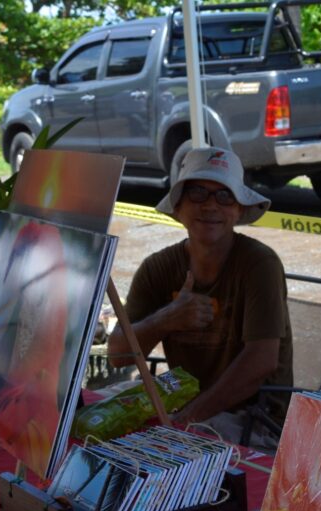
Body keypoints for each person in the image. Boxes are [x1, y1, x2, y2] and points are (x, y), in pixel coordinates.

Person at [107, 147, 293, 446]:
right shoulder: (157, 267)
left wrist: (186, 419)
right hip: (183, 401)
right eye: (197, 193)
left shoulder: (260, 264)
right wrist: (167, 319)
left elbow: (262, 361)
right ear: (178, 207)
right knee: (102, 413)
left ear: (239, 210)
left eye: (224, 196)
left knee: (161, 445)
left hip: (255, 419)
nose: (210, 206)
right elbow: (117, 354)